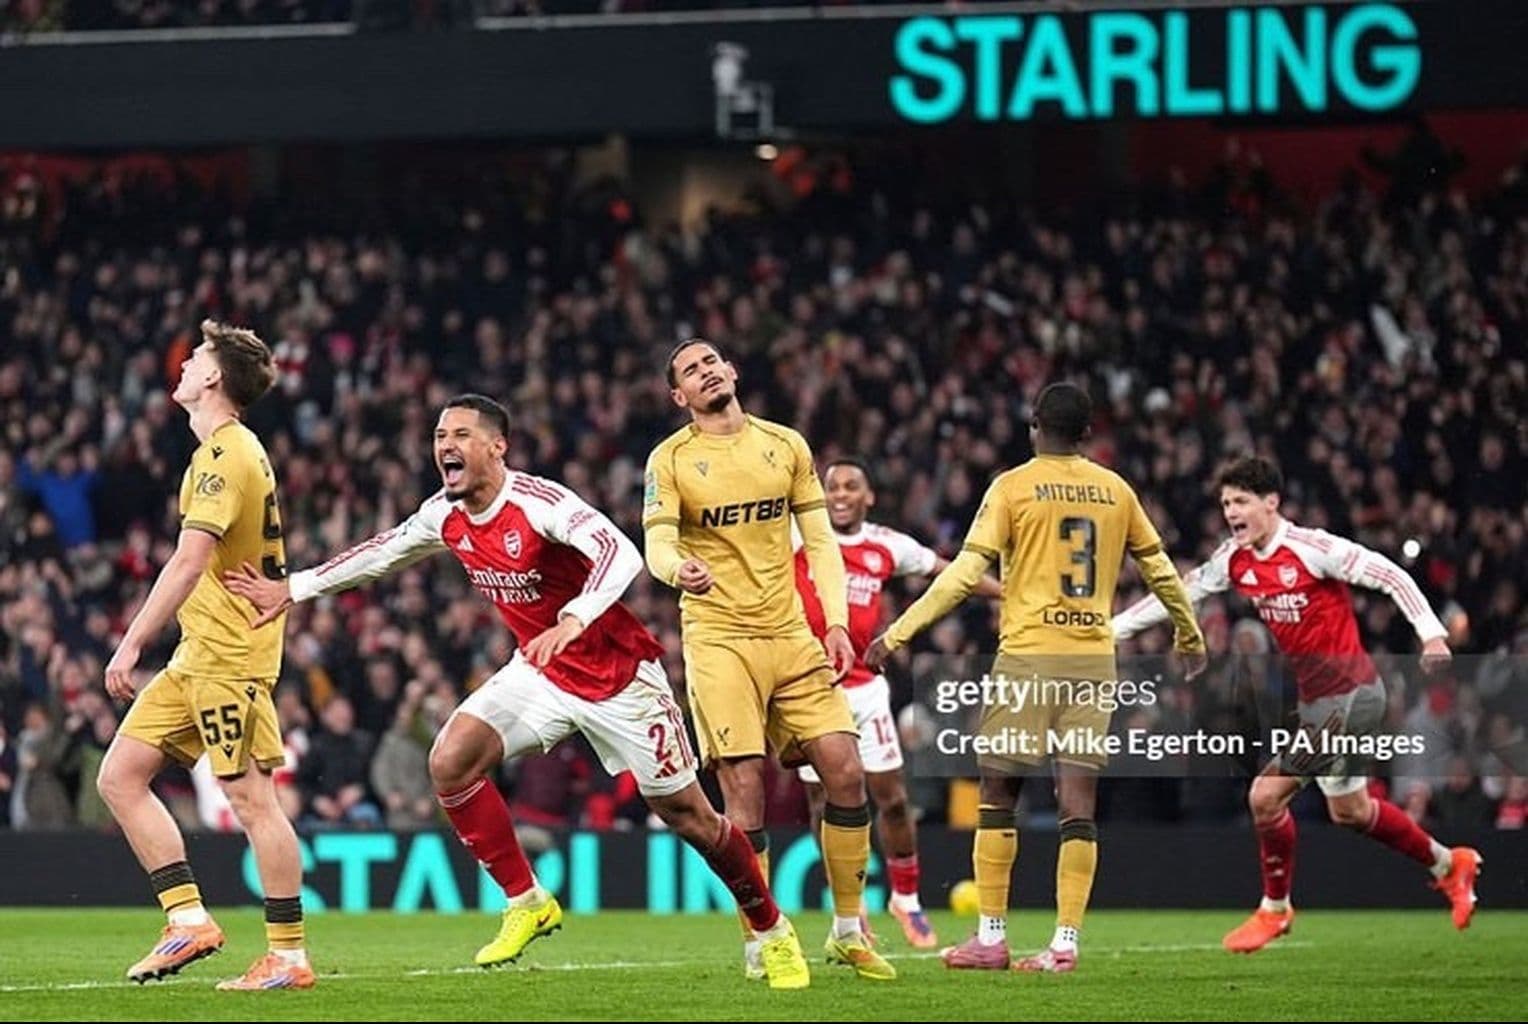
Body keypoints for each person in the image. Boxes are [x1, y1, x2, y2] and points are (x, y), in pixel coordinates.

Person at [226, 394, 810, 990]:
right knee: (450, 762)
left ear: (495, 447)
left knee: (692, 818)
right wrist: (293, 588)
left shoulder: (539, 503)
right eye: (437, 436)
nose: (444, 446)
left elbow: (621, 551)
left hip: (617, 676)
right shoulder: (442, 514)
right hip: (540, 671)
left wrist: (575, 619)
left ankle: (771, 930)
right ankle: (526, 899)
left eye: (458, 435)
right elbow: (382, 552)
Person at [866, 382, 1207, 973]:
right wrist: (1189, 632)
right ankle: (1064, 945)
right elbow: (1160, 569)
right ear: (1087, 433)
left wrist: (898, 631)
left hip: (1028, 658)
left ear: (1033, 426)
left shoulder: (1013, 487)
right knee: (1078, 804)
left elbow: (964, 573)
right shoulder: (1115, 490)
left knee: (998, 794)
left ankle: (992, 937)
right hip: (1093, 661)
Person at [1113, 455, 1481, 952]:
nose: (1231, 512)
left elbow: (1390, 574)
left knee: (1265, 797)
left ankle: (1275, 909)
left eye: (1241, 501)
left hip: (1355, 698)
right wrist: (1112, 631)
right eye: (1225, 503)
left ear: (1271, 503)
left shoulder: (1313, 549)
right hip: (1319, 704)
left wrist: (1433, 635)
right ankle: (1447, 863)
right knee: (1350, 811)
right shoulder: (1234, 560)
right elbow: (1176, 592)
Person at [643, 339, 895, 982]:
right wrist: (679, 569)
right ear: (680, 397)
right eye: (689, 373)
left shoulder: (786, 446)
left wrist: (835, 622)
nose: (704, 373)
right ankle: (762, 938)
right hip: (720, 637)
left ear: (732, 371)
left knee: (844, 768)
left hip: (790, 632)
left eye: (711, 362)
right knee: (744, 788)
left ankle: (846, 930)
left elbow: (820, 541)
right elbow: (658, 540)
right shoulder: (671, 460)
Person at [97, 320, 315, 991]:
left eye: (195, 357)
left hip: (230, 659)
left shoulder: (228, 454)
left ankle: (288, 955)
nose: (185, 364)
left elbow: (190, 559)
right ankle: (188, 920)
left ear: (214, 377)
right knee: (120, 776)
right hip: (198, 656)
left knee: (252, 800)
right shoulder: (218, 453)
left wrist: (132, 640)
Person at [791, 457, 1000, 949]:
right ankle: (851, 904)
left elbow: (952, 575)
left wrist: (1006, 594)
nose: (839, 494)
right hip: (811, 689)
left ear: (869, 497)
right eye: (832, 486)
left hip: (865, 690)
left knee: (893, 799)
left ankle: (905, 899)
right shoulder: (799, 537)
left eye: (850, 486)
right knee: (824, 802)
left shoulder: (887, 544)